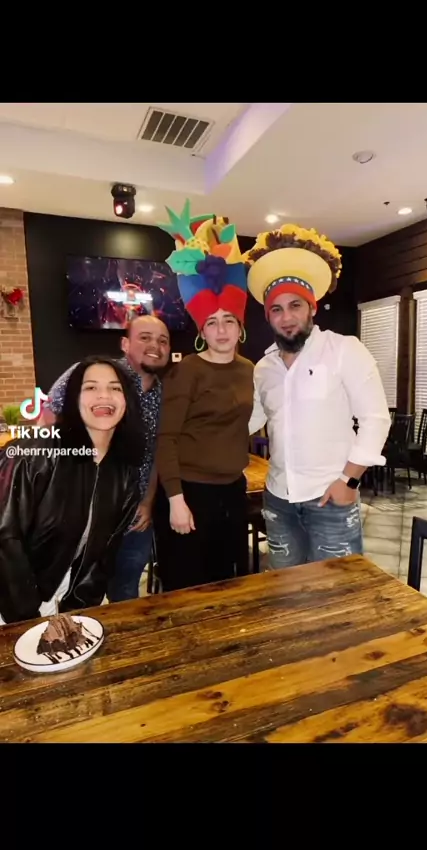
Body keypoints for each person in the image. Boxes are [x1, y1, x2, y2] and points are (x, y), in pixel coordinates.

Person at [246, 223, 391, 568]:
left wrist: (349, 480)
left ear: (311, 308)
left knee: (335, 590)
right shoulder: (263, 367)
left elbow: (376, 419)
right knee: (285, 586)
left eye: (295, 305)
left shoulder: (344, 350)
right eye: (276, 309)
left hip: (330, 498)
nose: (286, 317)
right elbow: (249, 420)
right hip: (278, 499)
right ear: (268, 317)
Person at [155, 199, 254, 591]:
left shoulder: (249, 369)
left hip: (234, 490)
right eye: (212, 322)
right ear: (202, 330)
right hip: (190, 492)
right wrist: (175, 499)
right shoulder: (186, 371)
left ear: (240, 325)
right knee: (186, 587)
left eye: (229, 320)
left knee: (227, 584)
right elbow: (166, 438)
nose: (222, 329)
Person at [0, 356, 144, 625]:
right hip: (11, 602)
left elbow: (103, 557)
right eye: (90, 387)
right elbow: (5, 538)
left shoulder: (125, 472)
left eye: (115, 388)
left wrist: (79, 610)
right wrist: (27, 619)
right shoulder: (33, 453)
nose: (104, 395)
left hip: (64, 597)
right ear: (73, 398)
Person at [39, 314, 171, 602]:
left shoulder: (166, 395)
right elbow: (47, 420)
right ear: (125, 343)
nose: (155, 346)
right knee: (73, 590)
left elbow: (157, 452)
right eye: (145, 338)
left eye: (163, 341)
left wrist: (147, 502)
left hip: (133, 513)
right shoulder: (92, 375)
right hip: (81, 509)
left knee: (125, 588)